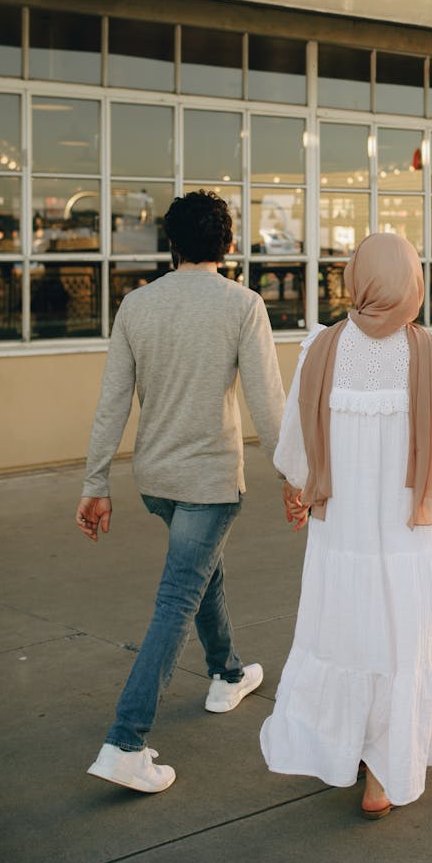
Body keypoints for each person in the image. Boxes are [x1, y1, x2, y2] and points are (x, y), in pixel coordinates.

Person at [260, 233, 432, 818]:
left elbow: (294, 456)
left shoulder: (320, 349)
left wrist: (304, 483)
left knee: (346, 643)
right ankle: (383, 774)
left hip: (339, 538)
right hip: (412, 541)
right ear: (411, 281)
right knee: (405, 649)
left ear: (356, 278)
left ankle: (348, 755)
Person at [75, 190, 291, 794]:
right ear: (226, 244)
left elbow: (111, 402)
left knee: (200, 570)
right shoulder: (243, 305)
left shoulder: (135, 306)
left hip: (156, 481)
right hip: (209, 482)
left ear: (171, 244)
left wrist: (97, 483)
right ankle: (125, 740)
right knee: (178, 597)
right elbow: (268, 405)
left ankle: (226, 674)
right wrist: (294, 478)